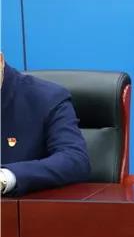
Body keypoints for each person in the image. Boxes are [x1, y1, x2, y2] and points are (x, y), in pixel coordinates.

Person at [0, 53, 91, 196]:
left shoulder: (47, 98)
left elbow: (75, 159)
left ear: (0, 61)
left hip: (29, 205)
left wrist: (6, 177)